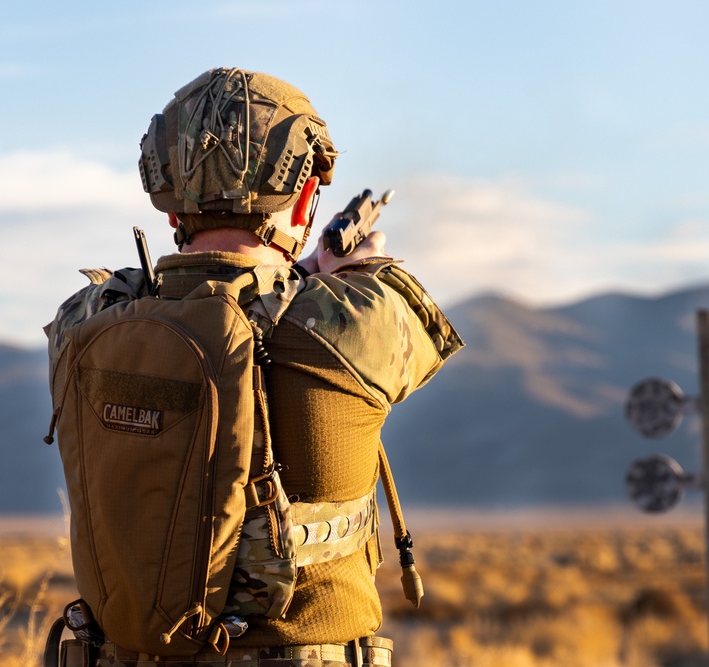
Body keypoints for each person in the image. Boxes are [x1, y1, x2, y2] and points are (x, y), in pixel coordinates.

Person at [44, 67, 462, 667]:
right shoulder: (356, 323)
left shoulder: (81, 324)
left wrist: (304, 275)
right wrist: (335, 271)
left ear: (169, 207)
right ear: (304, 197)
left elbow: (197, 298)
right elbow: (412, 324)